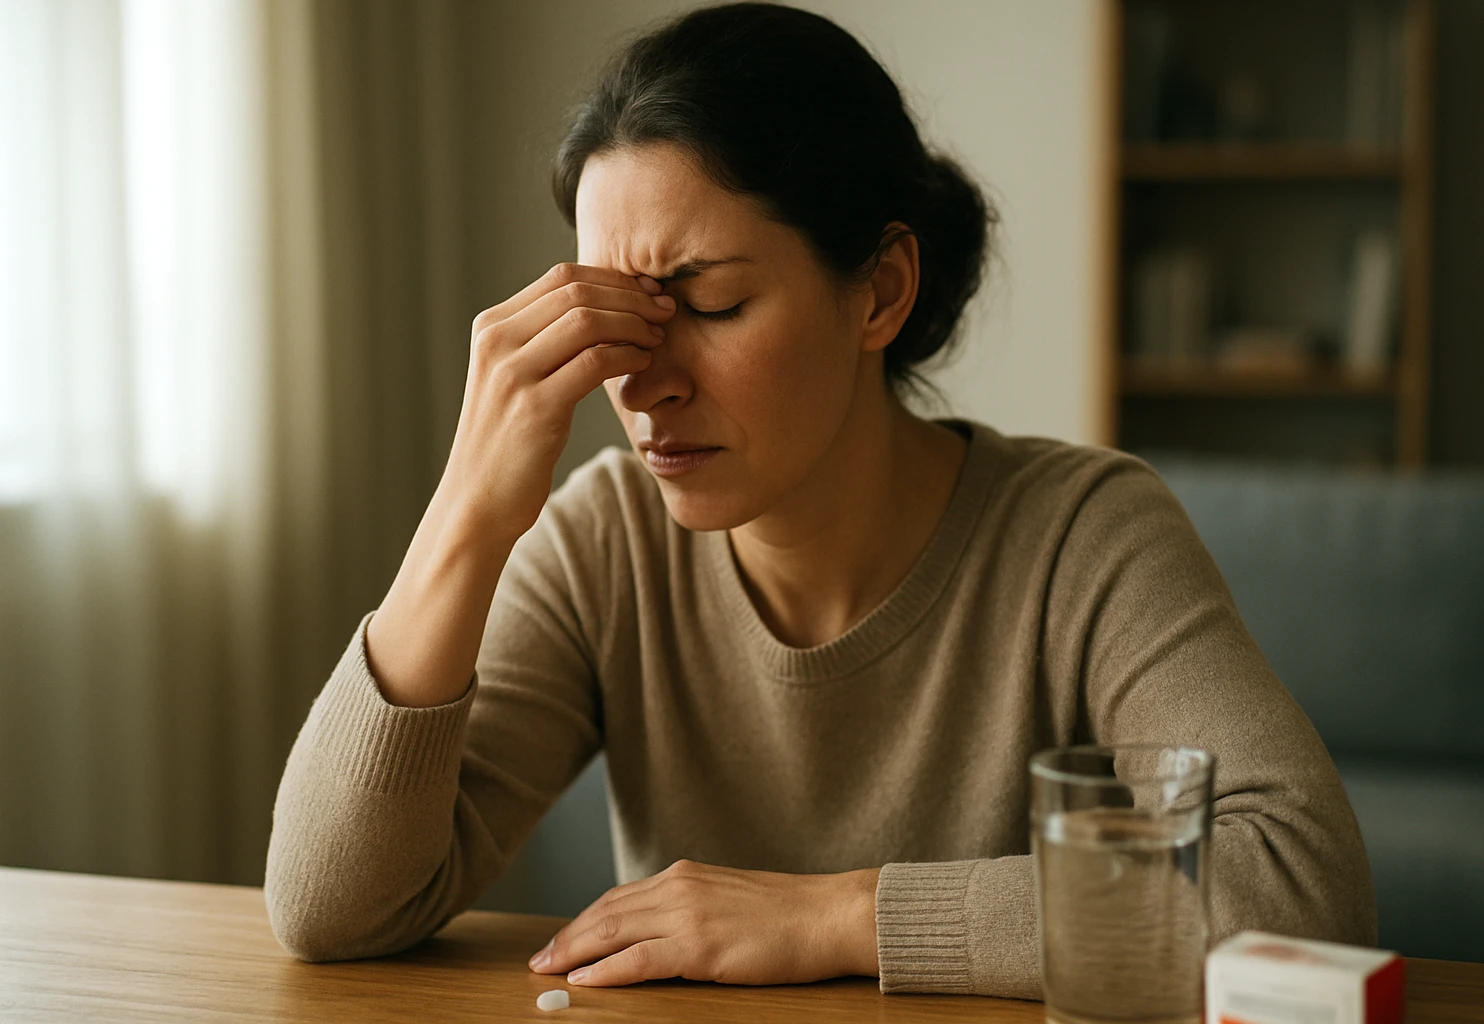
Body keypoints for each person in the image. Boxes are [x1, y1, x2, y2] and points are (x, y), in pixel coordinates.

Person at [264, 2, 1374, 1000]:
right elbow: (330, 908)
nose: (642, 384)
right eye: (613, 318)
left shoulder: (1085, 535)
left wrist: (836, 915)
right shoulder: (608, 540)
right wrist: (466, 514)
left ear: (881, 291)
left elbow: (1297, 883)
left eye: (707, 301)